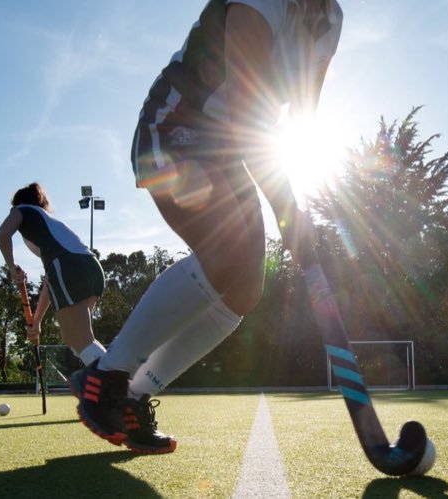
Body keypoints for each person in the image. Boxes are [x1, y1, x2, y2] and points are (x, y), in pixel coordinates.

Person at [73, 0, 343, 455]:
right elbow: (246, 113)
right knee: (227, 249)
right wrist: (287, 211)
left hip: (227, 149)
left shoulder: (330, 22)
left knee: (246, 288)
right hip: (174, 126)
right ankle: (107, 375)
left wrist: (299, 213)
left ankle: (134, 394)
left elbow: (300, 125)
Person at [0, 182, 107, 371]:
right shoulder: (50, 225)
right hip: (91, 269)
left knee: (81, 338)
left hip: (70, 266)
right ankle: (113, 378)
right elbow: (52, 282)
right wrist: (37, 321)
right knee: (72, 337)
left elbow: (3, 234)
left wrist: (11, 267)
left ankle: (119, 382)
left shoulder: (21, 210)